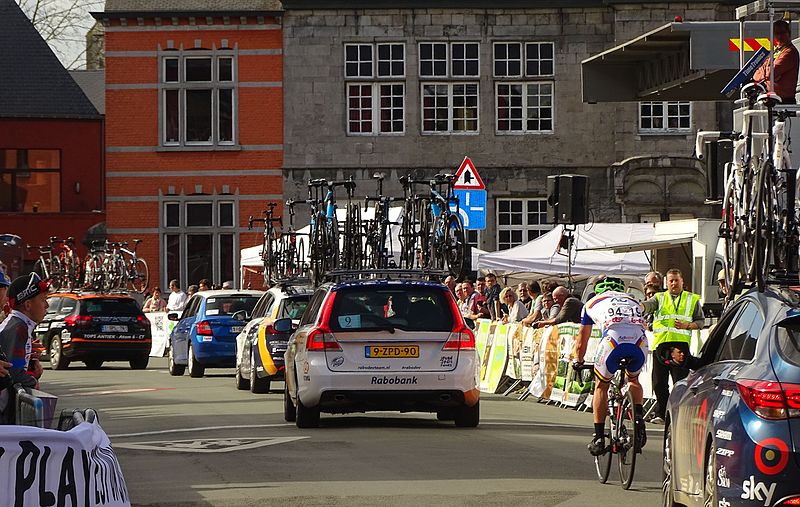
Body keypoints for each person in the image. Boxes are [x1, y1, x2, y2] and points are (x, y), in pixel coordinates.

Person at [574, 276, 648, 456]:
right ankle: (638, 420)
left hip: (612, 342)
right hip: (640, 342)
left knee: (601, 386)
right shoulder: (634, 301)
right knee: (633, 379)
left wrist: (579, 361)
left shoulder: (591, 303)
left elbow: (581, 342)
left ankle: (599, 437)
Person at [641, 268, 704, 424]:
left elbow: (701, 322)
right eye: (671, 280)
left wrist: (688, 325)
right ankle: (661, 413)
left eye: (676, 280)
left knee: (680, 384)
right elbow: (648, 306)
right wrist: (640, 306)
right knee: (658, 383)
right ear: (666, 282)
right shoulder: (659, 297)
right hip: (661, 346)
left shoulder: (691, 299)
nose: (674, 283)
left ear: (682, 281)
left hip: (680, 347)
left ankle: (678, 413)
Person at [0, 273, 50, 421]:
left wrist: (31, 370)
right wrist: (32, 382)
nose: (47, 305)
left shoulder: (21, 325)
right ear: (28, 305)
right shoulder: (18, 328)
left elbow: (17, 367)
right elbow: (12, 371)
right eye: (43, 300)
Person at [753, 20, 800, 104]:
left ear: (788, 33)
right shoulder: (777, 51)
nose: (779, 36)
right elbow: (756, 74)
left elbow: (771, 72)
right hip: (772, 98)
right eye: (777, 33)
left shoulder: (789, 52)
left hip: (783, 100)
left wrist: (765, 72)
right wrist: (766, 72)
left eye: (782, 32)